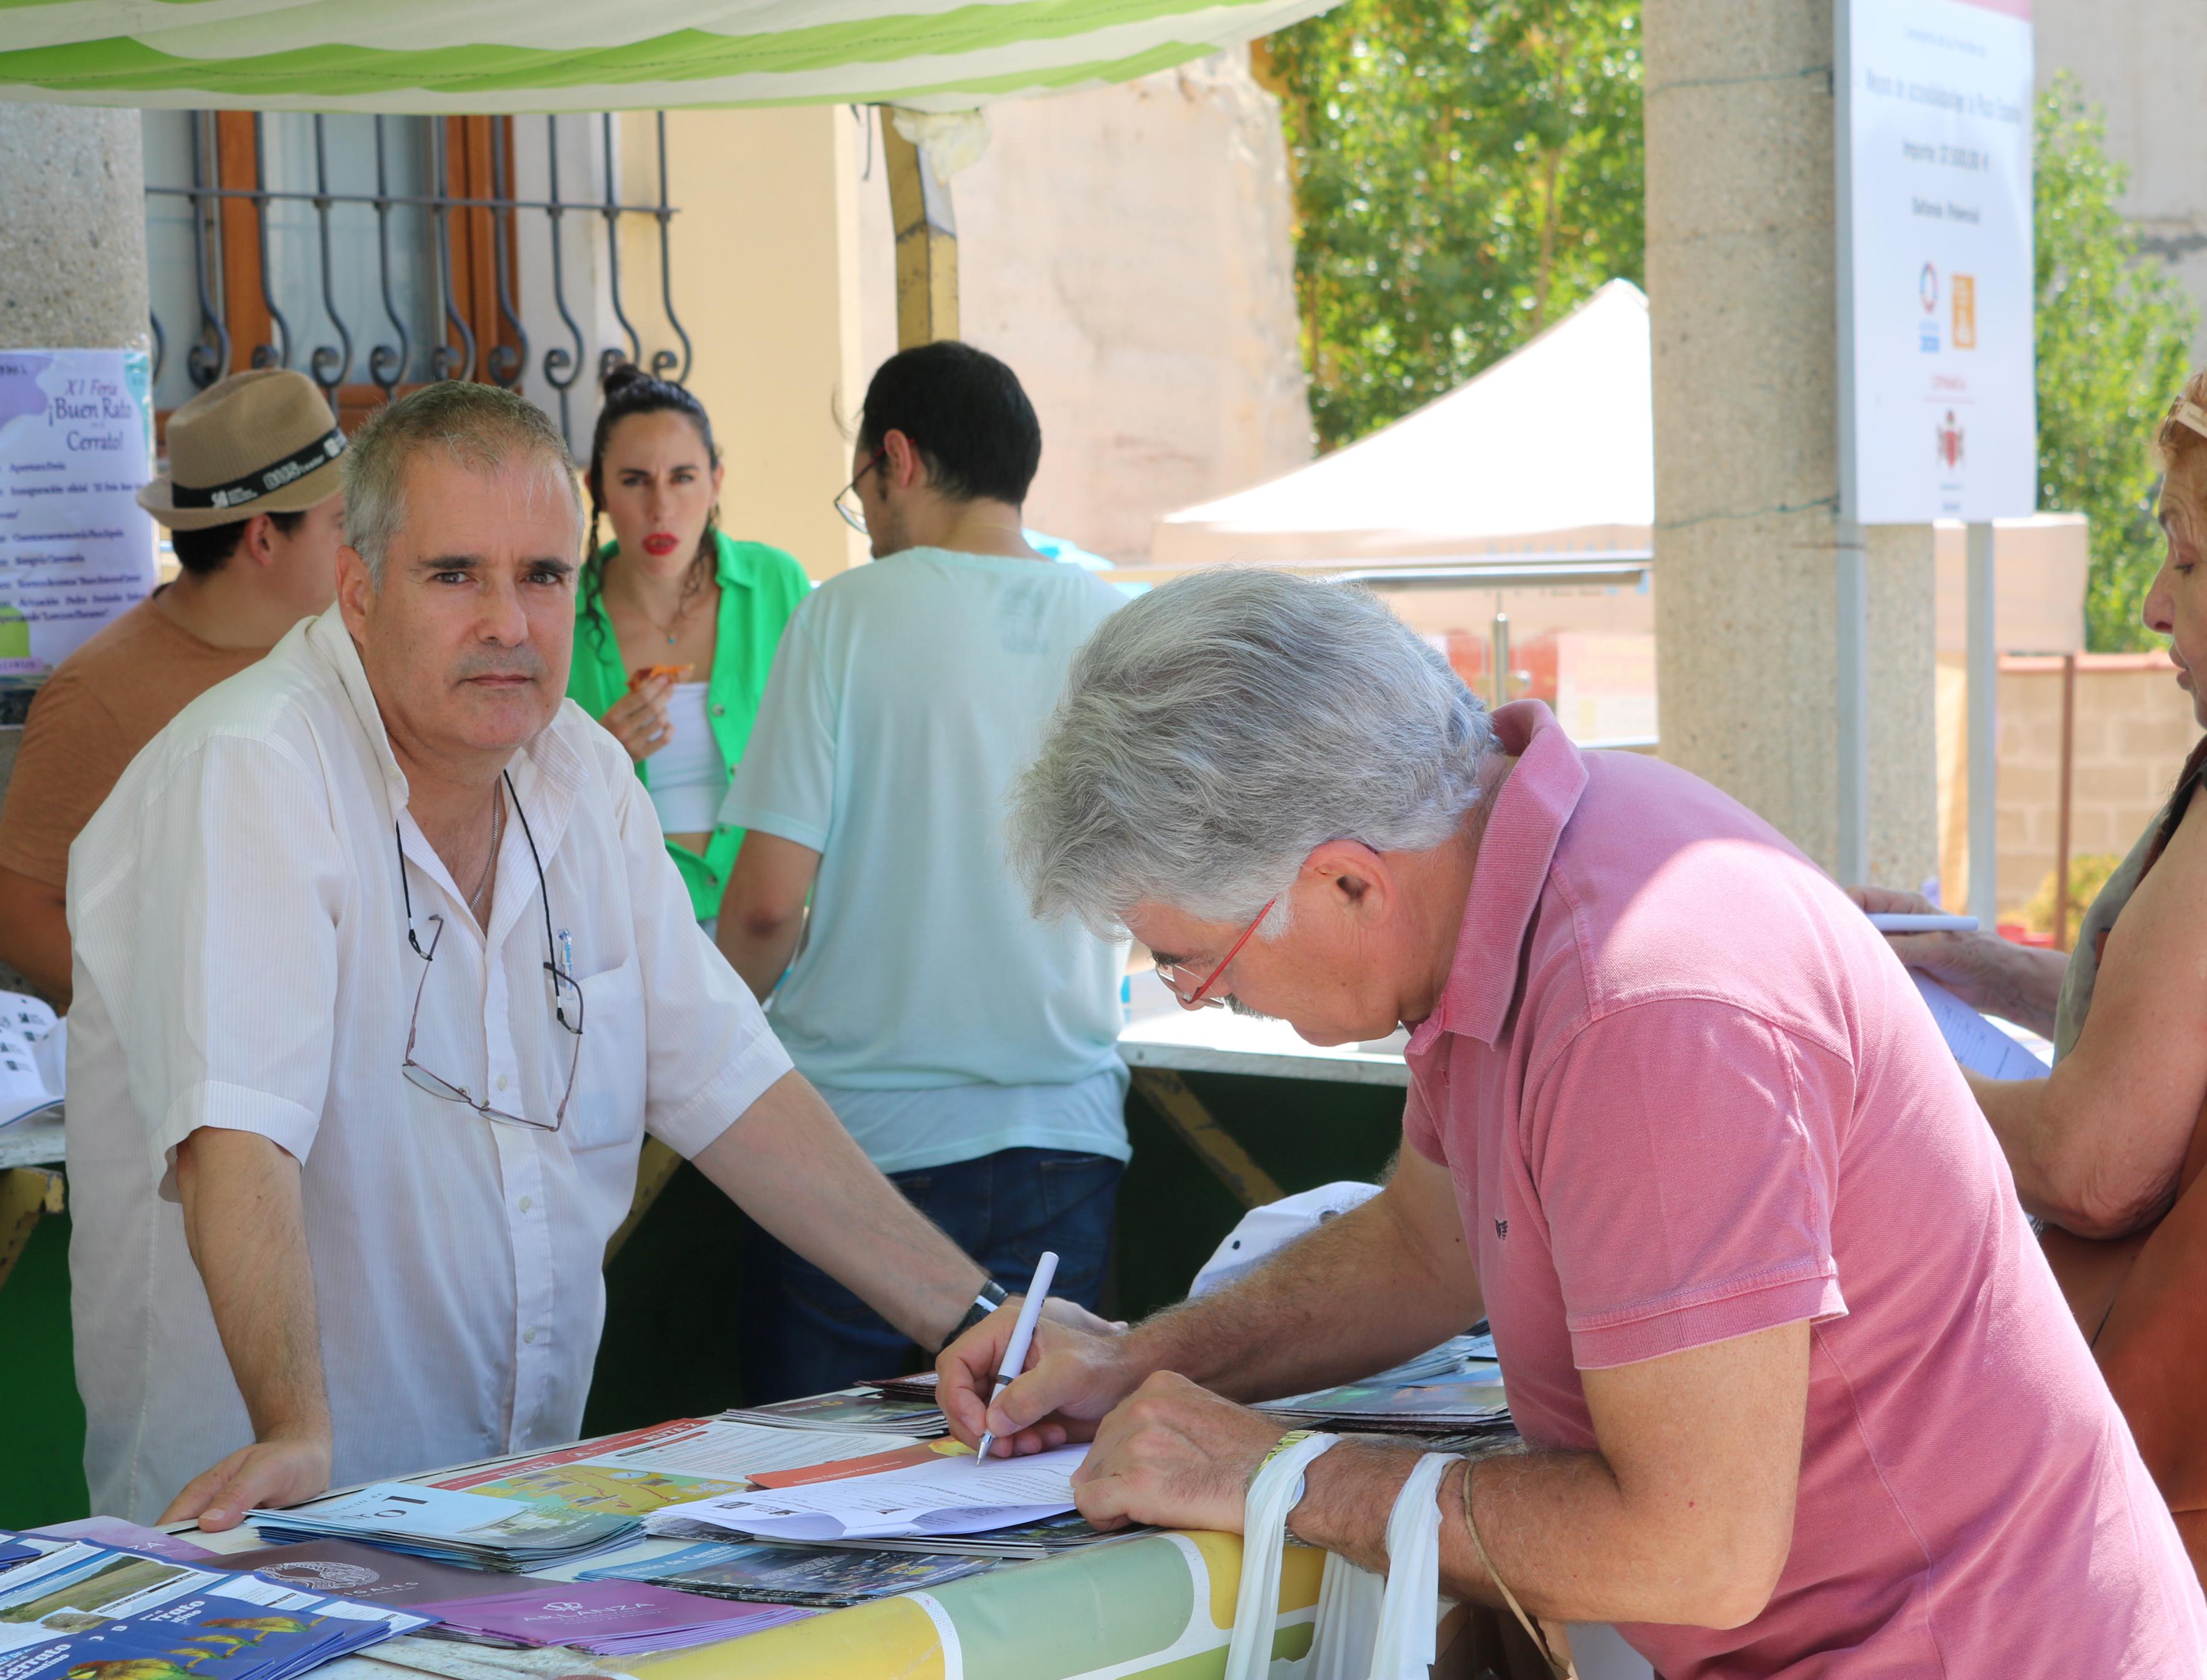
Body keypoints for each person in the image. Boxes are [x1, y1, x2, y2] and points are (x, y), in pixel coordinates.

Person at [942, 568, 2207, 1677]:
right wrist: (1136, 1359)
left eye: (1192, 964)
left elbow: (1692, 1549)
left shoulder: (1636, 1003)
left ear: (1344, 880)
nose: (1194, 995)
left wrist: (1273, 1473)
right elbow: (1426, 1246)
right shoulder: (1501, 873)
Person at [63, 381, 1006, 1525]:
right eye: (455, 575)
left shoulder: (583, 773)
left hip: (511, 1504)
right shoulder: (252, 766)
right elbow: (236, 1139)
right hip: (268, 1519)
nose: (508, 622)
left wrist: (976, 1320)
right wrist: (294, 1427)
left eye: (544, 576)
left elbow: (727, 1078)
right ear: (358, 591)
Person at [714, 343, 1130, 1403]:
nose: (866, 515)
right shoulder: (1116, 626)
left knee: (817, 1476)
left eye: (860, 486)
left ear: (894, 459)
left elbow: (764, 906)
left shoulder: (844, 615)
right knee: (1020, 1460)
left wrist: (700, 1040)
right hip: (1066, 1131)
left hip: (856, 1151)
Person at [1858, 373, 2207, 1575]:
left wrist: (1867, 1068)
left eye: (2186, 559)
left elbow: (2095, 1165)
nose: (2154, 604)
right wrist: (1983, 965)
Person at [0, 368, 347, 1006]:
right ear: (264, 537)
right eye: (341, 522)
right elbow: (20, 921)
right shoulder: (97, 694)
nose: (364, 545)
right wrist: (194, 1015)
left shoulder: (349, 648)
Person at [564, 365, 811, 927]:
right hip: (625, 927)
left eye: (682, 477)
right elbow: (517, 806)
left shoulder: (778, 584)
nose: (661, 507)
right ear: (597, 488)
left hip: (768, 925)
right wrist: (597, 759)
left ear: (716, 481)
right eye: (634, 480)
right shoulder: (559, 614)